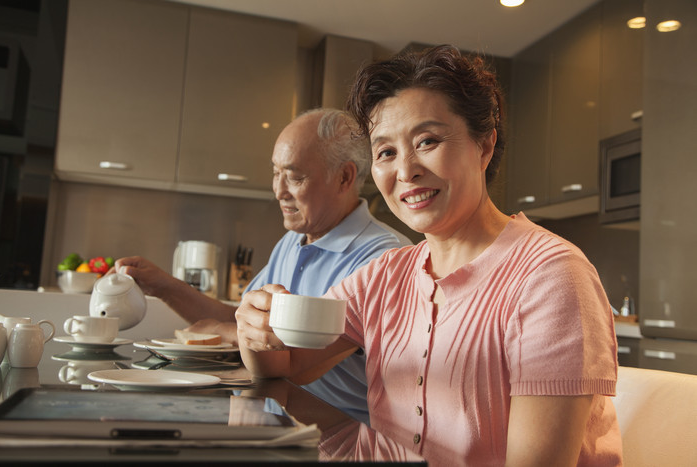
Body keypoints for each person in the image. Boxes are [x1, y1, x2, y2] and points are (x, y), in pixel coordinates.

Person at [235, 46, 623, 466]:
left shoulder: (550, 276)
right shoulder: (385, 275)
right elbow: (288, 366)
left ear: (484, 144)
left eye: (428, 141)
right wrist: (255, 330)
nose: (405, 170)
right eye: (386, 152)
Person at [115, 108, 411, 424]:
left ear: (344, 177)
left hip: (342, 432)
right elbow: (245, 320)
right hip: (278, 415)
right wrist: (164, 287)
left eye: (295, 177)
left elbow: (292, 357)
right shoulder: (292, 242)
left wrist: (221, 331)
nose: (279, 191)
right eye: (275, 173)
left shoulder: (384, 256)